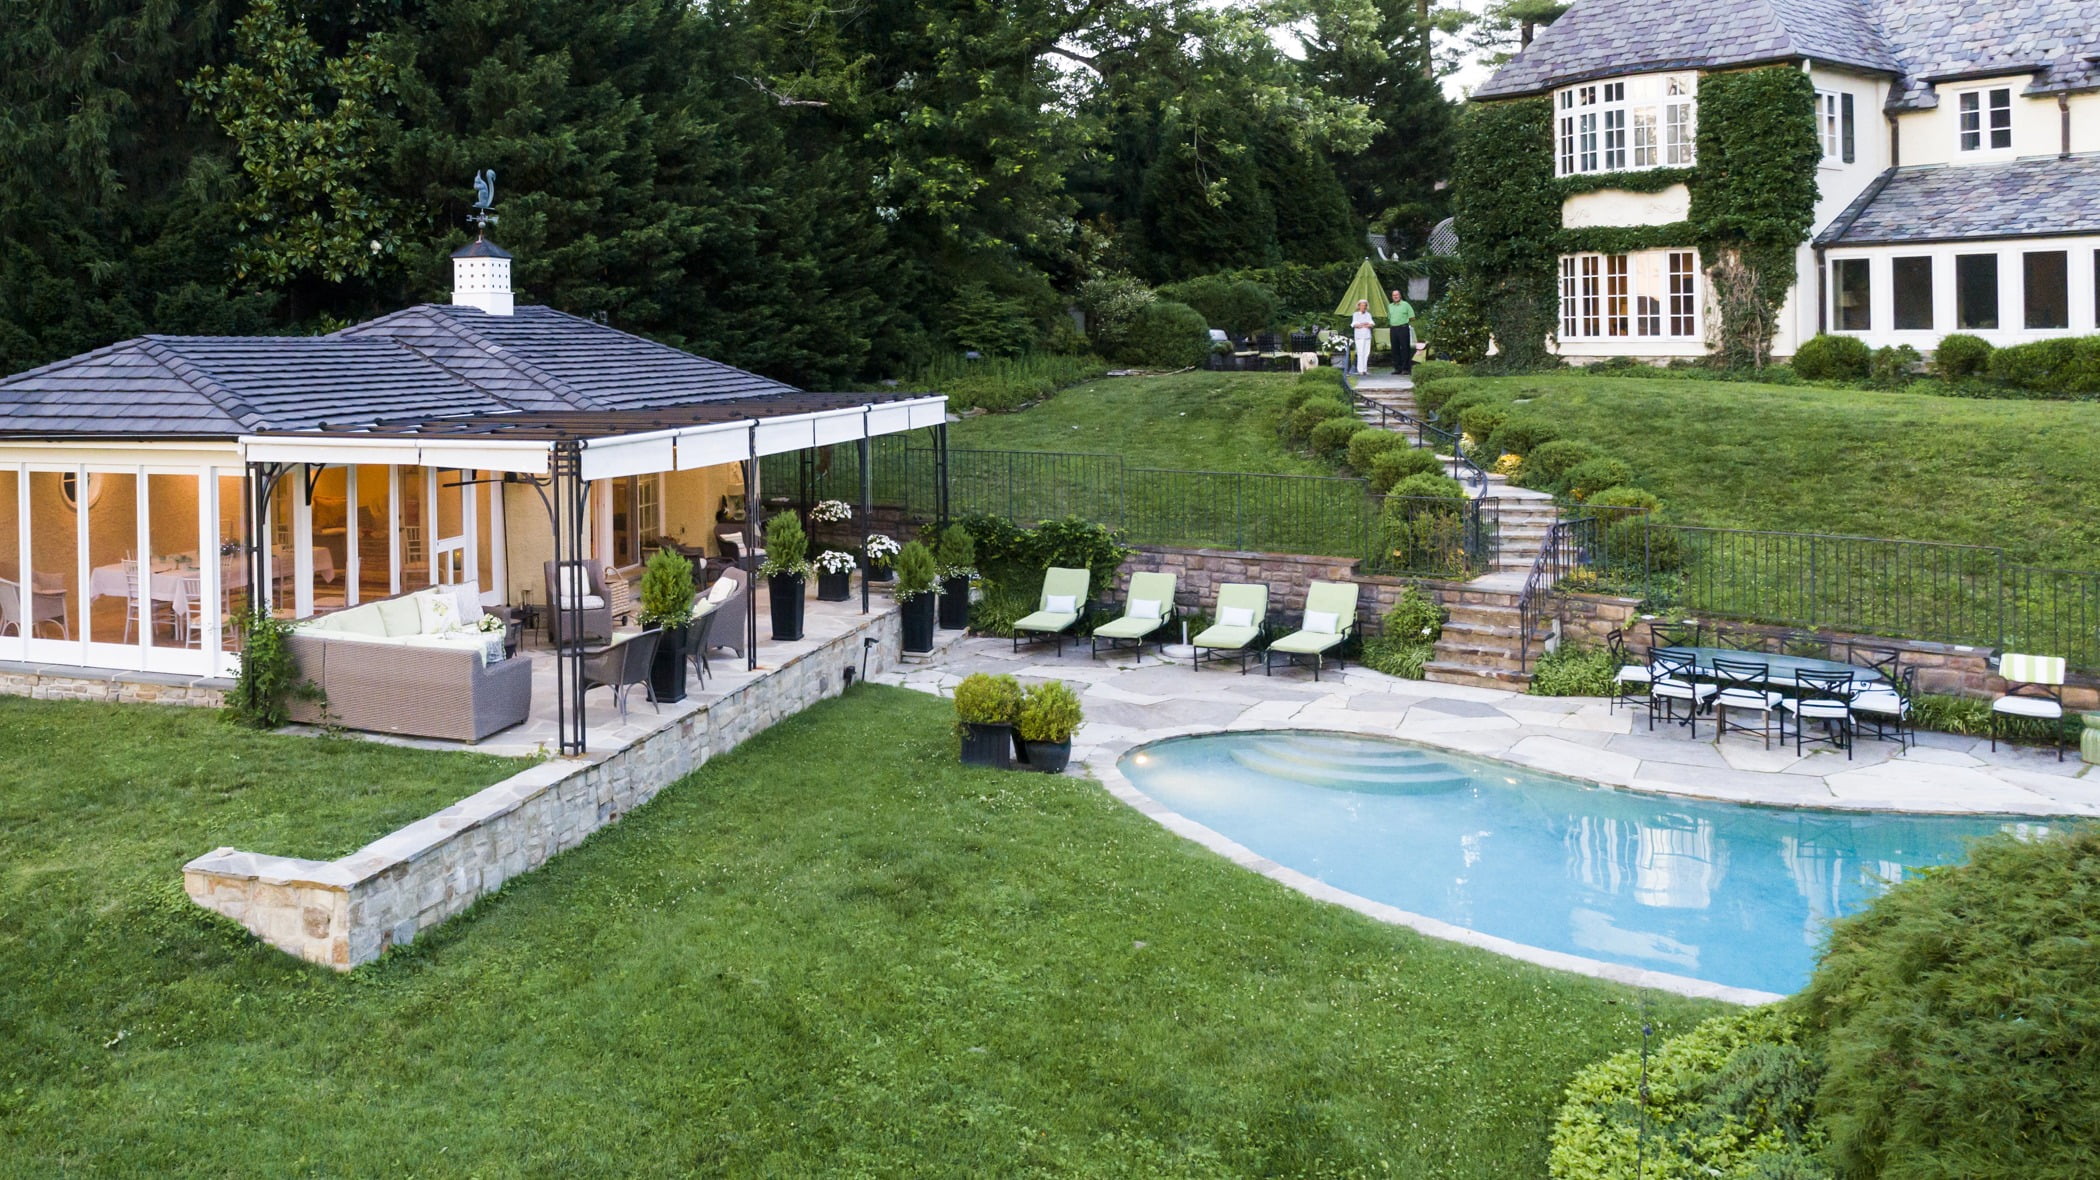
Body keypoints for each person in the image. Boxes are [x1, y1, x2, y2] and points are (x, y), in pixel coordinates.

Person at [1386, 289, 1416, 376]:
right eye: (1393, 295)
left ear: (1400, 296)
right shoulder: (1390, 306)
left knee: (1405, 348)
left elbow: (1412, 317)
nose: (1395, 296)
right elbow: (1389, 317)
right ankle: (1397, 368)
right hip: (1393, 328)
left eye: (1397, 295)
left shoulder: (1405, 304)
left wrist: (1404, 321)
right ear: (1392, 297)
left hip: (1403, 328)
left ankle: (1406, 369)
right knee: (1395, 349)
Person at [1350, 299, 1375, 376]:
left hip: (1367, 336)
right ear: (1359, 306)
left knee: (1366, 353)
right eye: (1362, 305)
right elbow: (1355, 325)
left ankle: (1365, 370)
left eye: (1365, 306)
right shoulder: (1355, 314)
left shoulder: (1368, 314)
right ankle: (1360, 370)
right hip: (1359, 336)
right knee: (1360, 352)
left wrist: (1365, 324)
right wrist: (1364, 324)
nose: (1363, 307)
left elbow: (1371, 324)